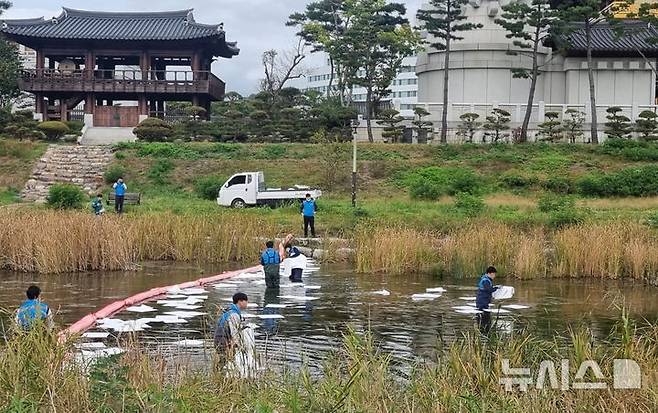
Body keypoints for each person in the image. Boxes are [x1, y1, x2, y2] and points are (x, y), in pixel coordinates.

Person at [214, 292, 249, 357]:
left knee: (223, 362)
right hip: (224, 341)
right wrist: (239, 346)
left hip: (219, 340)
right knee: (227, 361)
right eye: (246, 301)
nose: (247, 303)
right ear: (240, 301)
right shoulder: (234, 314)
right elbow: (234, 332)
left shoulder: (229, 311)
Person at [476, 266, 498, 334]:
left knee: (486, 319)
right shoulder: (485, 281)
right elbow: (489, 289)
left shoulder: (486, 280)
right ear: (490, 273)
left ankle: (485, 330)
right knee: (485, 320)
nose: (494, 276)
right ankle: (484, 331)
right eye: (494, 274)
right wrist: (496, 288)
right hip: (482, 302)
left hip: (484, 302)